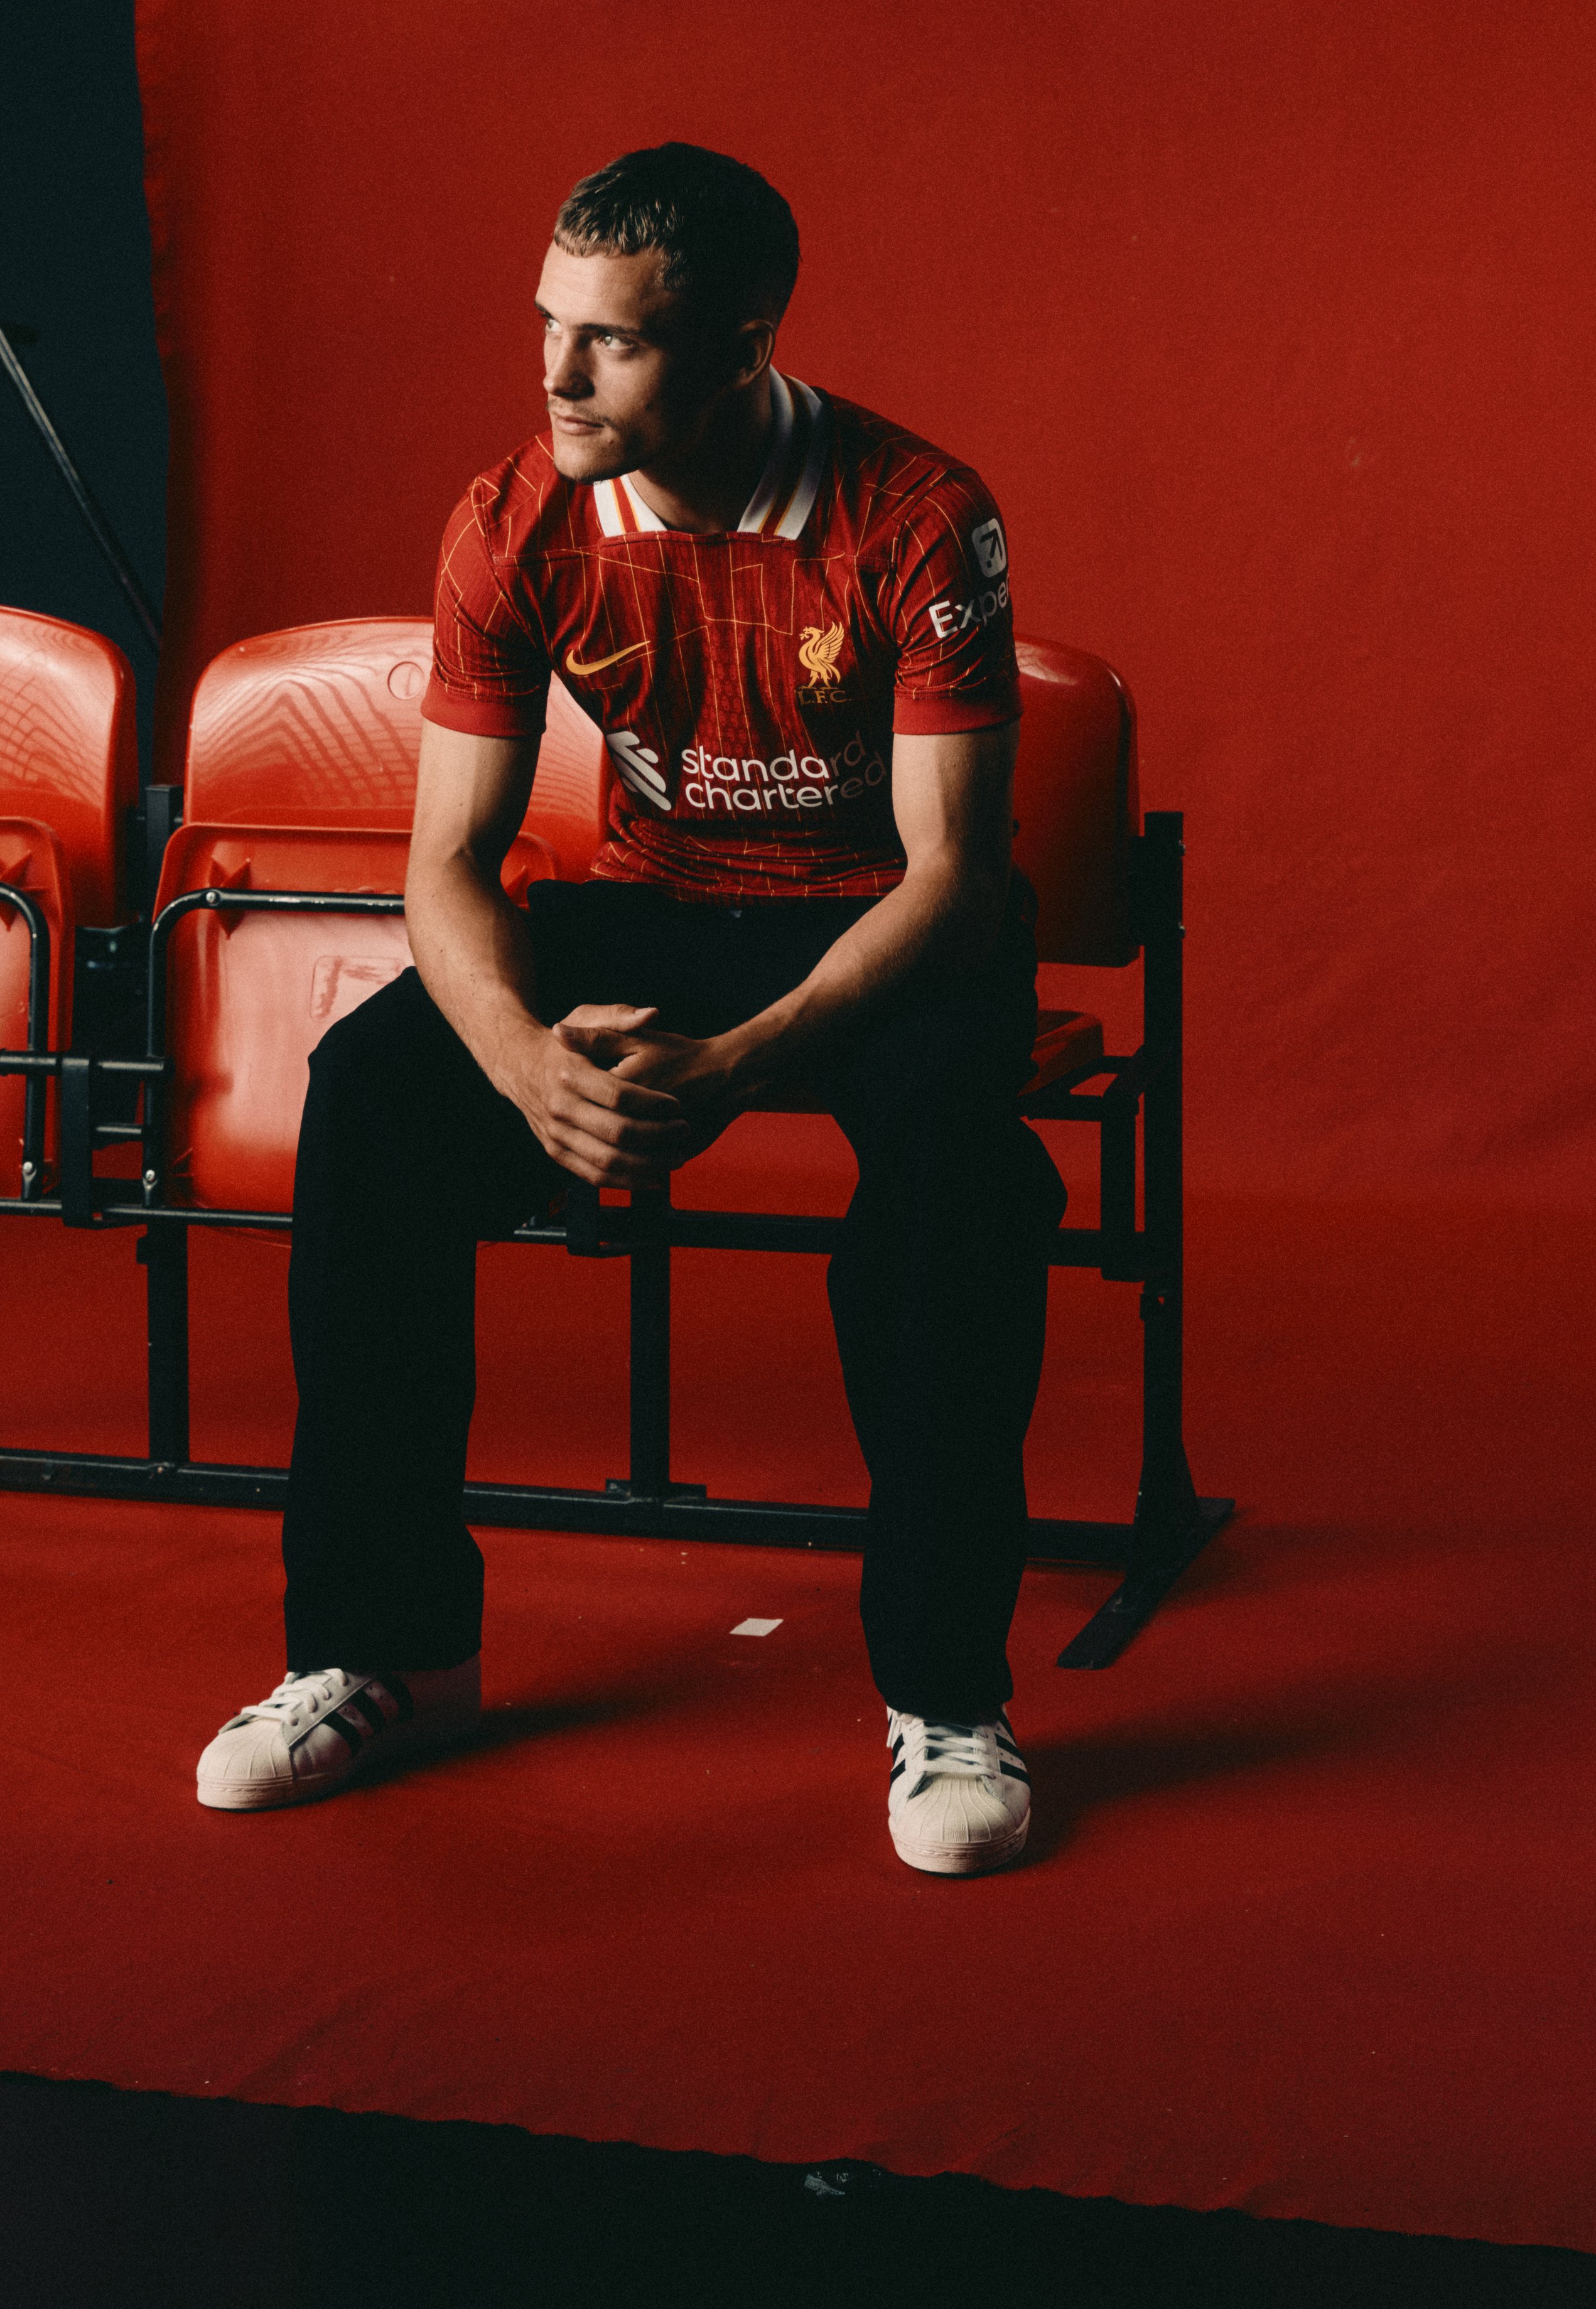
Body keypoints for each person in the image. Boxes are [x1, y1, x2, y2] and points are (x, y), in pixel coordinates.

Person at [193, 143, 1065, 1876]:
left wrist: (743, 1063)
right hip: (663, 907)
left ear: (745, 346)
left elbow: (955, 878)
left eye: (615, 340)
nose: (559, 372)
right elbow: (448, 865)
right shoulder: (514, 516)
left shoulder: (915, 515)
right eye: (549, 324)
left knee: (959, 1178)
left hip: (882, 927)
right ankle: (388, 1650)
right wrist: (525, 1066)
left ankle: (948, 1696)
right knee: (374, 1095)